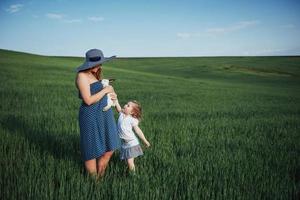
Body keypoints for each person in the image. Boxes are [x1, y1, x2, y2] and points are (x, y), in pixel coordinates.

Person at [75, 48, 120, 178]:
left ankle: (101, 176)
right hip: (90, 115)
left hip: (104, 114)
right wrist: (106, 90)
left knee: (110, 147)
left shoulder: (95, 74)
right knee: (91, 150)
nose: (98, 66)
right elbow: (88, 100)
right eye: (96, 64)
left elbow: (101, 93)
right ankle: (95, 183)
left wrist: (111, 96)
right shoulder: (81, 76)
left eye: (100, 63)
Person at [114, 100, 150, 174]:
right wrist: (116, 101)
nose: (125, 105)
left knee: (130, 161)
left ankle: (133, 176)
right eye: (126, 104)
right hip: (125, 144)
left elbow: (138, 131)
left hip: (132, 143)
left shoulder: (132, 119)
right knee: (127, 161)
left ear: (131, 112)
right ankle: (128, 171)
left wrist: (145, 141)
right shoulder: (122, 114)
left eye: (128, 106)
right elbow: (118, 108)